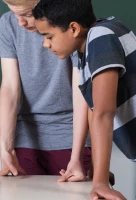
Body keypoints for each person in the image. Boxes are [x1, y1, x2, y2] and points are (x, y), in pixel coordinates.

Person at [33, 0, 136, 199]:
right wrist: (96, 171)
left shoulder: (100, 37)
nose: (45, 44)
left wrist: (100, 183)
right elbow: (95, 107)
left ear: (73, 28)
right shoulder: (90, 44)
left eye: (49, 36)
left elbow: (104, 113)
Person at [0, 0, 91, 178]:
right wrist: (5, 149)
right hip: (26, 136)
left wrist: (76, 155)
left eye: (27, 15)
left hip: (69, 134)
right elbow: (9, 86)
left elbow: (81, 91)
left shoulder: (70, 25)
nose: (20, 22)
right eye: (15, 13)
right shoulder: (7, 24)